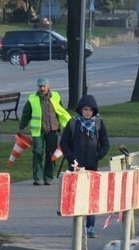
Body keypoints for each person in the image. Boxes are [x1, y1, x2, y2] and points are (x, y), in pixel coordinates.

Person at [60, 94, 110, 238]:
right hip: (76, 167)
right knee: (76, 197)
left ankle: (90, 226)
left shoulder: (98, 123)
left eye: (90, 110)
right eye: (85, 110)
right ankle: (77, 227)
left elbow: (105, 143)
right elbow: (64, 143)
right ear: (80, 110)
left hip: (91, 167)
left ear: (94, 111)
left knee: (91, 197)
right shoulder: (73, 123)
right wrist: (71, 158)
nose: (88, 112)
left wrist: (97, 156)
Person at [17, 77, 71, 186]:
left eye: (44, 86)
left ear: (48, 86)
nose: (42, 88)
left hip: (52, 130)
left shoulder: (55, 96)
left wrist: (67, 127)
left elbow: (61, 112)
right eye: (40, 86)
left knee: (51, 153)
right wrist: (21, 127)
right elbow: (26, 114)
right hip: (38, 131)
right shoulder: (32, 98)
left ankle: (48, 177)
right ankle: (37, 177)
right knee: (37, 152)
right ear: (37, 87)